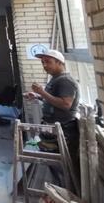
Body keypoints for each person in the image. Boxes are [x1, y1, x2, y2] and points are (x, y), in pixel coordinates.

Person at [24, 49, 80, 178]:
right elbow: (53, 99)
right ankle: (56, 189)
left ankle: (66, 193)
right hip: (51, 129)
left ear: (60, 63)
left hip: (63, 130)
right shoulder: (56, 79)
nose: (44, 65)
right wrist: (38, 96)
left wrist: (42, 92)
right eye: (43, 62)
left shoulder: (65, 81)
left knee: (63, 165)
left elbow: (66, 104)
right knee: (49, 158)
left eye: (48, 62)